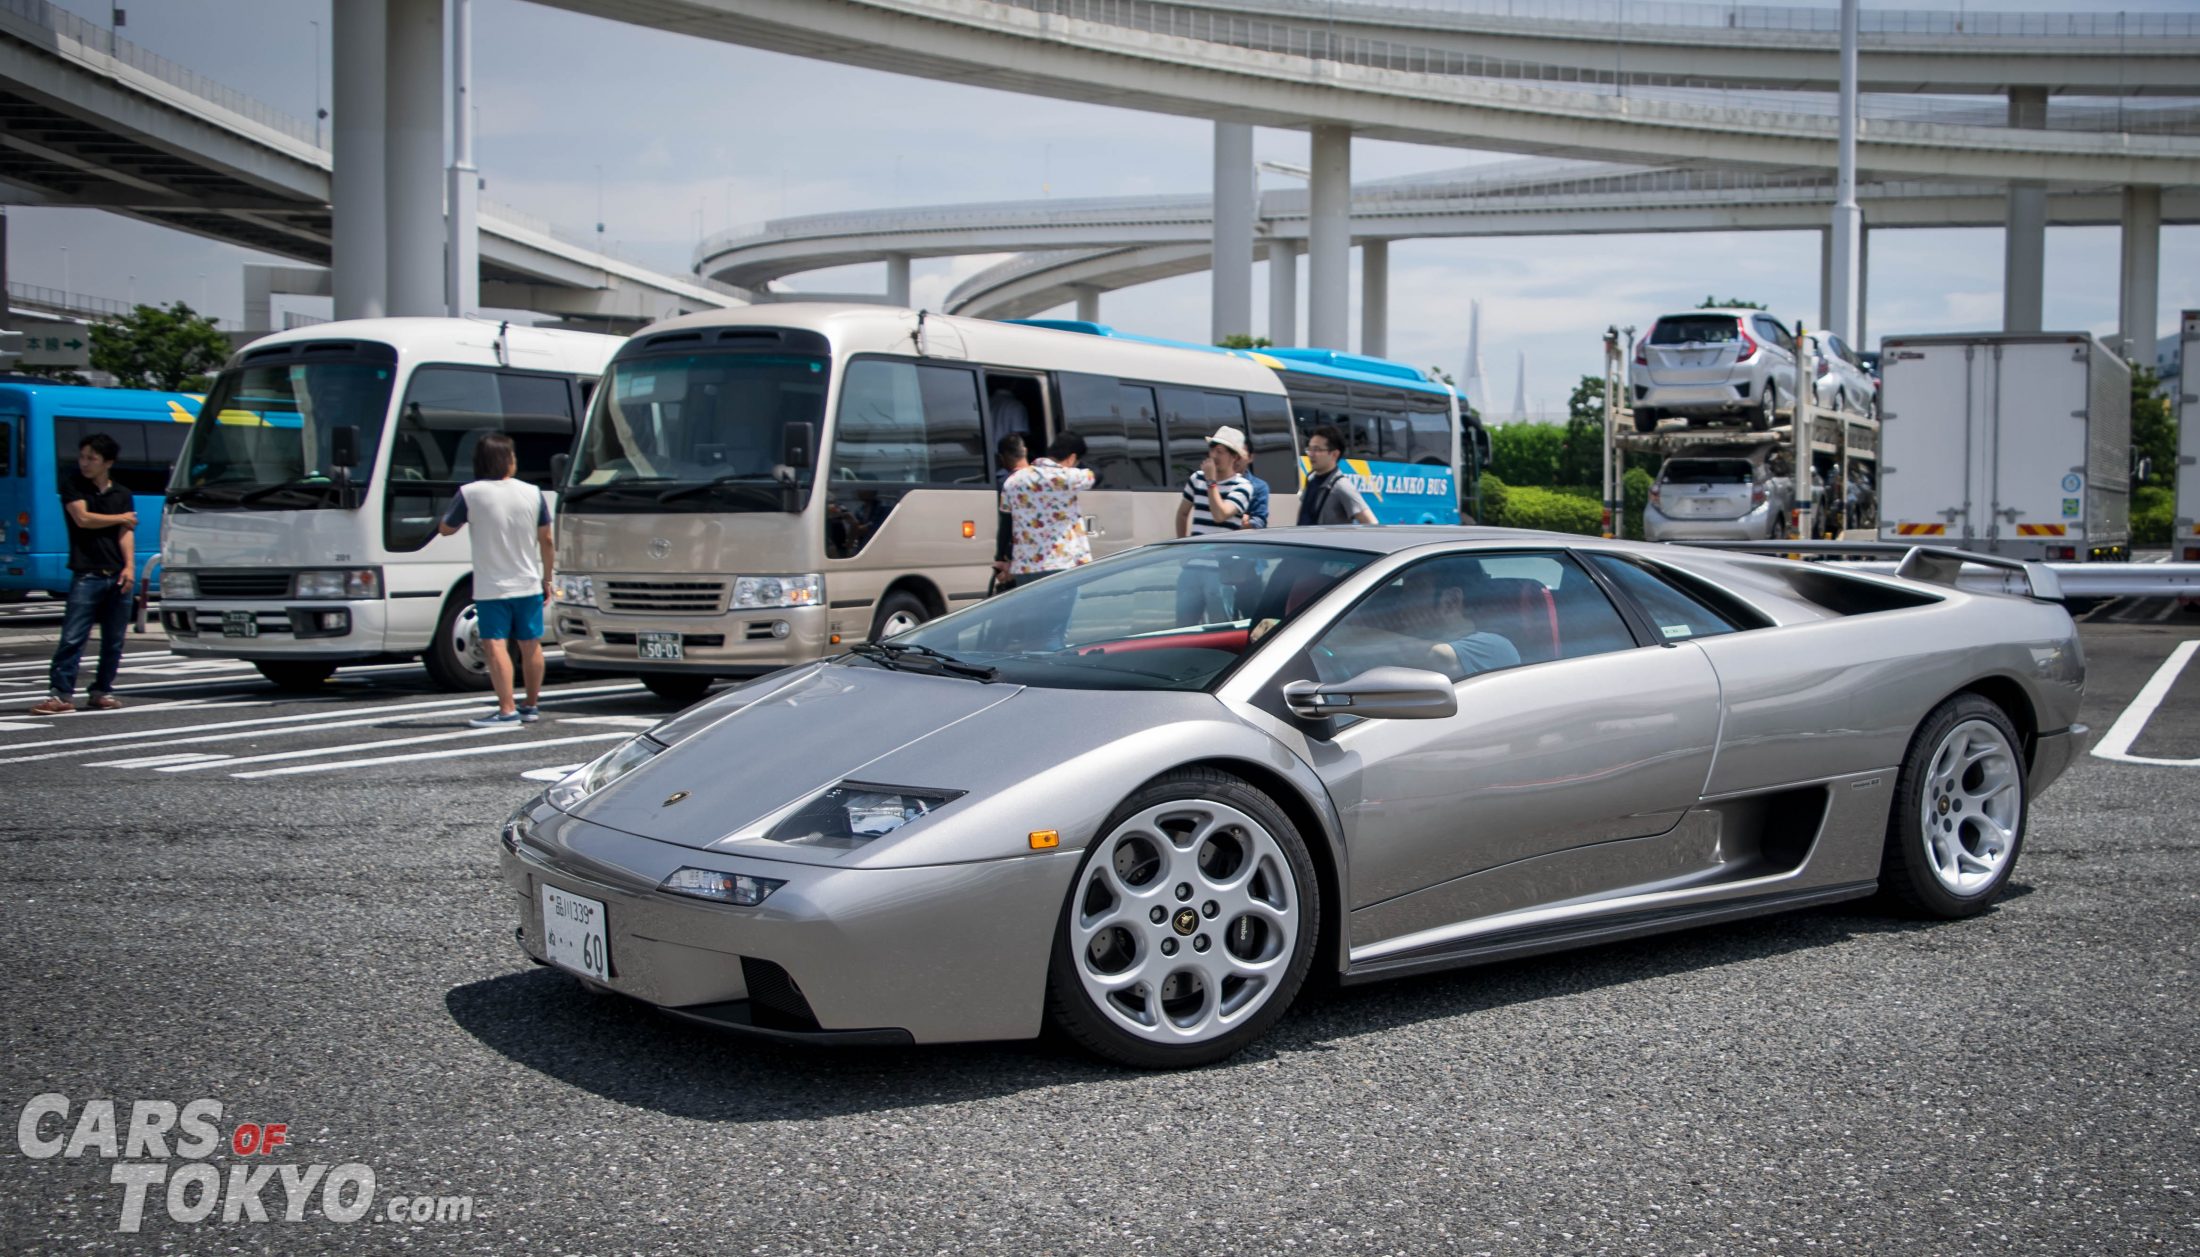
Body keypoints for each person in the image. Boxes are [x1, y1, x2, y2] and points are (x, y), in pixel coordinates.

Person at [437, 433, 553, 728]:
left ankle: (506, 709)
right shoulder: (532, 492)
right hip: (528, 582)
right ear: (507, 460)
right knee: (531, 644)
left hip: (492, 586)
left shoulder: (470, 493)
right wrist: (547, 578)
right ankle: (531, 705)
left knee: (495, 644)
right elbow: (547, 539)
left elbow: (446, 529)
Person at [30, 433, 138, 715]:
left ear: (108, 462)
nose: (85, 463)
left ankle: (102, 690)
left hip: (116, 572)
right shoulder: (74, 486)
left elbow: (126, 534)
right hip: (86, 572)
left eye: (92, 458)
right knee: (73, 637)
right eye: (82, 457)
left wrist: (129, 567)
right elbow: (83, 518)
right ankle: (60, 694)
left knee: (114, 640)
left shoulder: (122, 494)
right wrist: (121, 518)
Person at [1000, 432, 1094, 584]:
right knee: (1060, 608)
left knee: (1032, 608)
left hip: (1025, 567)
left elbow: (1006, 523)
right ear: (1071, 458)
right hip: (1061, 564)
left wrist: (1000, 557)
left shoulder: (1013, 480)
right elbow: (1097, 474)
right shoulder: (1068, 477)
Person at [1174, 425, 1256, 537]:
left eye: (1220, 452)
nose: (1213, 455)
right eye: (1212, 450)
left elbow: (1220, 515)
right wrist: (1182, 544)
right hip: (1197, 551)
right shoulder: (1197, 478)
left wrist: (1211, 481)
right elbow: (1182, 513)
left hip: (1224, 553)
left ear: (1235, 457)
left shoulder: (1243, 486)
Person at [1296, 425, 1379, 526]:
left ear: (1334, 454)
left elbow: (1371, 523)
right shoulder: (1311, 479)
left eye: (1317, 449)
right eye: (1309, 449)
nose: (1311, 454)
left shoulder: (1341, 486)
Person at [992, 432, 1029, 591]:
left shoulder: (1008, 483)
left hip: (1017, 553)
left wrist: (1000, 556)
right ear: (1025, 451)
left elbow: (1006, 523)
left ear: (1002, 457)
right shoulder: (1044, 478)